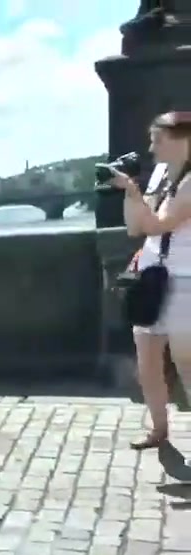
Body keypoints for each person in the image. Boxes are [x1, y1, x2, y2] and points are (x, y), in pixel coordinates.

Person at [114, 111, 191, 449]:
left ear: (184, 140)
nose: (151, 148)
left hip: (184, 281)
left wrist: (133, 192)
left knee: (187, 366)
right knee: (147, 365)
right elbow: (137, 227)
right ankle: (159, 430)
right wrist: (131, 194)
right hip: (151, 277)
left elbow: (160, 224)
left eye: (158, 140)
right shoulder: (160, 174)